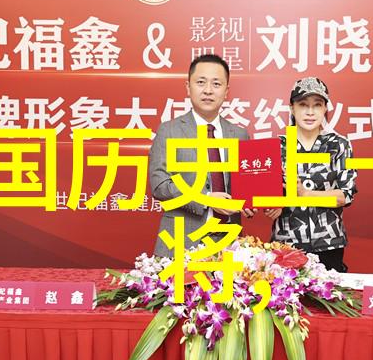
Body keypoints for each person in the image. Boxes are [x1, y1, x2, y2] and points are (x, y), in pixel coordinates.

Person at [149, 54, 252, 258]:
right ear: (188, 87)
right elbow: (159, 184)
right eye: (201, 82)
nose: (208, 90)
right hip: (179, 243)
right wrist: (205, 199)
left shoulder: (240, 135)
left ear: (226, 91)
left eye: (216, 84)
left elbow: (246, 186)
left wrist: (251, 202)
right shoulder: (169, 130)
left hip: (228, 246)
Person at [265, 77, 357, 272]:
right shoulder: (277, 146)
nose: (310, 112)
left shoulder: (339, 145)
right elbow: (267, 195)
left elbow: (345, 195)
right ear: (292, 108)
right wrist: (272, 205)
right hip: (286, 244)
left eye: (317, 105)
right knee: (287, 291)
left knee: (329, 292)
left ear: (325, 109)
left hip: (328, 244)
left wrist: (305, 194)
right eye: (303, 104)